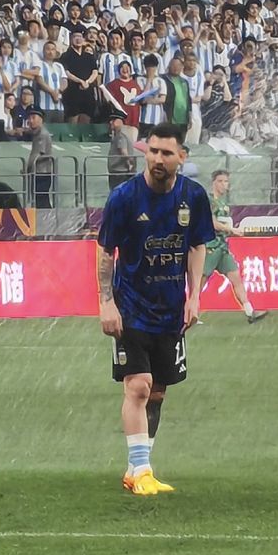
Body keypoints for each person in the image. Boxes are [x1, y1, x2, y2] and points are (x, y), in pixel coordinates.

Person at [97, 122, 215, 497]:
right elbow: (106, 251)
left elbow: (197, 245)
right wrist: (106, 302)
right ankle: (143, 471)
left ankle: (136, 469)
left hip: (170, 309)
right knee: (139, 386)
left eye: (166, 153)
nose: (158, 159)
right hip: (130, 307)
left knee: (158, 392)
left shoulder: (193, 197)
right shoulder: (124, 198)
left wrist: (194, 296)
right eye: (153, 151)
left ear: (182, 156)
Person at [201, 170, 268, 324]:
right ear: (214, 183)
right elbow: (212, 223)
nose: (224, 185)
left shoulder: (224, 204)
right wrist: (231, 230)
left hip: (223, 248)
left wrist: (231, 231)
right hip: (211, 247)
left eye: (226, 182)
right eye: (221, 181)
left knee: (236, 278)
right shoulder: (209, 201)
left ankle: (250, 312)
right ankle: (186, 314)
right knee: (199, 283)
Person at [24, 107, 55, 209]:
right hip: (39, 171)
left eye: (33, 118)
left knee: (41, 200)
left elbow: (37, 154)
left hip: (42, 172)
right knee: (40, 199)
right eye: (29, 118)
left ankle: (46, 217)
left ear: (41, 119)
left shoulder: (42, 134)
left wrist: (27, 167)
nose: (30, 121)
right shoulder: (37, 133)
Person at [108, 110, 138, 190]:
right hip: (122, 171)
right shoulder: (125, 132)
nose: (111, 122)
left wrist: (130, 163)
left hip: (119, 171)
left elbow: (123, 151)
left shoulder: (121, 135)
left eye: (113, 120)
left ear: (119, 121)